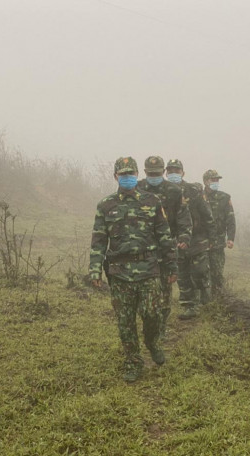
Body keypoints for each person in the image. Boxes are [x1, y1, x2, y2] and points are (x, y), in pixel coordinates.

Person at [89, 157, 178, 382]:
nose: (127, 178)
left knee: (152, 313)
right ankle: (133, 361)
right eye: (123, 174)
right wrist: (95, 269)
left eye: (131, 174)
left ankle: (152, 341)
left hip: (148, 268)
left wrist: (171, 266)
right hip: (119, 272)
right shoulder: (105, 205)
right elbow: (99, 240)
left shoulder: (152, 201)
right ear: (115, 176)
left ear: (137, 175)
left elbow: (164, 236)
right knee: (125, 321)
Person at [137, 156, 192, 339]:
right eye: (151, 173)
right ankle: (149, 328)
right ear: (145, 172)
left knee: (165, 294)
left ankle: (160, 330)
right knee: (144, 294)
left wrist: (184, 236)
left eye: (158, 173)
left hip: (166, 248)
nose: (154, 176)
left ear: (163, 173)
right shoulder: (136, 188)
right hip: (141, 250)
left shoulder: (174, 191)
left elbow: (183, 218)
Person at [166, 159, 216, 317]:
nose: (174, 174)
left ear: (183, 173)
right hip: (177, 240)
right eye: (171, 171)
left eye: (177, 171)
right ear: (166, 173)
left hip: (198, 239)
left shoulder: (192, 190)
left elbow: (207, 215)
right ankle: (189, 306)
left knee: (200, 271)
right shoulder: (165, 192)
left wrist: (212, 238)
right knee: (183, 274)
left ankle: (205, 300)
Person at [203, 169, 236, 297]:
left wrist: (230, 238)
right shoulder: (198, 196)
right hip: (201, 242)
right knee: (201, 272)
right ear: (206, 181)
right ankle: (202, 300)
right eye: (213, 180)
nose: (216, 182)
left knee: (217, 272)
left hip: (218, 242)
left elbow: (230, 219)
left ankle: (217, 300)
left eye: (217, 180)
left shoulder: (224, 198)